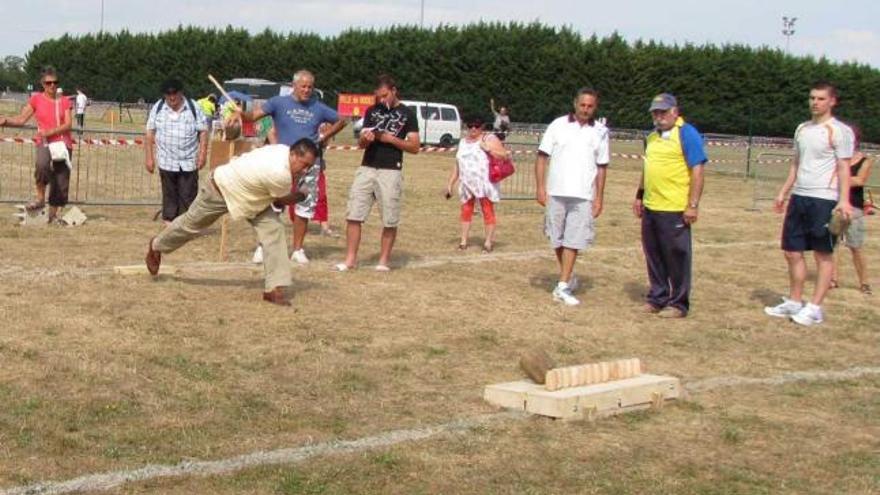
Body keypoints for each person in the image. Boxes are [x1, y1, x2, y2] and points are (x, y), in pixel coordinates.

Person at [145, 139, 319, 306]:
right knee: (190, 226)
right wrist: (302, 194)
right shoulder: (280, 174)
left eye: (309, 167)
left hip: (252, 197)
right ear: (294, 154)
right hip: (220, 189)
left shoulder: (282, 149)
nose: (305, 171)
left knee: (274, 229)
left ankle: (274, 288)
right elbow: (280, 201)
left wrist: (297, 181)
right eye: (304, 165)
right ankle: (157, 245)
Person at [764, 82, 854, 326]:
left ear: (832, 101)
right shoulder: (802, 129)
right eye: (812, 98)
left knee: (822, 254)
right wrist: (783, 192)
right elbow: (796, 163)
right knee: (791, 251)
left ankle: (815, 307)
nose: (815, 102)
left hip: (824, 198)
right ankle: (794, 301)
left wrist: (843, 200)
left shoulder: (839, 131)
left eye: (821, 98)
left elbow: (844, 166)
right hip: (800, 197)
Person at [234, 70, 346, 264]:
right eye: (303, 86)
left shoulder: (318, 107)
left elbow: (341, 120)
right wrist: (241, 114)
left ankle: (298, 250)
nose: (307, 90)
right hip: (282, 162)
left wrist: (324, 137)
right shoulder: (278, 102)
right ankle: (263, 247)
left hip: (310, 164)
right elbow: (253, 116)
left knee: (304, 206)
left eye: (310, 87)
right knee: (272, 205)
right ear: (294, 86)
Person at [632, 93, 707, 318]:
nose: (659, 116)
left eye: (663, 111)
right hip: (651, 206)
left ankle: (678, 303)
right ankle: (657, 297)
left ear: (675, 111)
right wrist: (639, 195)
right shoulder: (652, 137)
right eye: (655, 112)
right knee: (653, 255)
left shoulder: (687, 134)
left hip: (674, 207)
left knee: (677, 257)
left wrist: (692, 204)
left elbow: (698, 170)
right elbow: (648, 169)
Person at [335, 74, 420, 271]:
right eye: (379, 96)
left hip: (391, 170)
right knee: (354, 214)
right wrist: (366, 138)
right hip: (367, 166)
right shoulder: (372, 111)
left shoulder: (407, 113)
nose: (382, 100)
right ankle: (350, 260)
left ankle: (383, 262)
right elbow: (361, 144)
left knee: (389, 218)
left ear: (393, 90)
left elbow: (415, 146)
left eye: (384, 96)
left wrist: (390, 139)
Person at [535, 87, 610, 306]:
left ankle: (562, 285)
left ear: (595, 107)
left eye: (590, 106)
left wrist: (599, 198)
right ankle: (567, 277)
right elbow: (541, 157)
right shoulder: (557, 125)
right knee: (556, 238)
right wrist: (540, 187)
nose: (585, 109)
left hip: (583, 196)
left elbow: (602, 167)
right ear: (575, 104)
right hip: (556, 192)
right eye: (582, 105)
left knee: (573, 240)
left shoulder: (600, 132)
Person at [0, 66, 74, 223]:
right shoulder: (36, 99)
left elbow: (68, 124)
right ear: (42, 84)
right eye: (48, 83)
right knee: (41, 166)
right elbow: (21, 119)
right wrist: (6, 120)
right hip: (45, 143)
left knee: (60, 179)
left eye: (55, 82)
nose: (52, 85)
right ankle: (40, 198)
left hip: (63, 144)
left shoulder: (65, 101)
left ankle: (53, 216)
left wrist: (51, 131)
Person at [144, 79, 208, 225]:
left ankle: (187, 225)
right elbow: (149, 132)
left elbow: (203, 131)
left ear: (181, 93)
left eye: (174, 94)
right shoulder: (158, 107)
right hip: (166, 160)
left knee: (188, 194)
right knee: (169, 193)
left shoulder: (193, 107)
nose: (172, 97)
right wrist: (149, 158)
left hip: (188, 160)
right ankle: (169, 223)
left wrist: (203, 154)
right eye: (168, 94)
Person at [446, 117, 508, 252]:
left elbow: (504, 155)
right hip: (467, 183)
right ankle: (463, 241)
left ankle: (488, 243)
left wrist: (488, 150)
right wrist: (451, 183)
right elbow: (458, 165)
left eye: (477, 125)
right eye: (470, 125)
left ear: (482, 126)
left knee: (487, 210)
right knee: (466, 211)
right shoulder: (462, 142)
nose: (473, 128)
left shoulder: (489, 139)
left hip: (484, 183)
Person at [831, 124, 873, 295]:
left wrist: (839, 176)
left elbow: (860, 180)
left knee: (856, 246)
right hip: (834, 205)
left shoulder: (866, 160)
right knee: (832, 246)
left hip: (854, 208)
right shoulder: (836, 158)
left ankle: (864, 282)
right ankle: (832, 279)